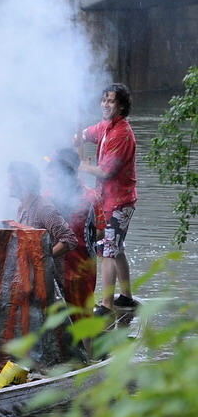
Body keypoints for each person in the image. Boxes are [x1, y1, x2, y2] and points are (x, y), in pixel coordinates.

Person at [74, 83, 139, 316]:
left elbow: (105, 172)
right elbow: (85, 134)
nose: (105, 104)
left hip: (119, 201)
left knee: (108, 251)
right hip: (108, 200)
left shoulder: (122, 133)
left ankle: (107, 305)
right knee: (116, 248)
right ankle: (126, 297)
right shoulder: (106, 127)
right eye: (104, 100)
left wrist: (81, 166)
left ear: (121, 106)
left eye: (111, 101)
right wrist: (77, 137)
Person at [44, 148, 103, 313]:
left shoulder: (88, 198)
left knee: (74, 313)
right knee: (78, 313)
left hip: (77, 266)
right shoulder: (90, 196)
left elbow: (100, 231)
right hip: (71, 265)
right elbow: (101, 231)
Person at [8, 162, 78, 260]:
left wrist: (43, 260)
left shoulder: (44, 209)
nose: (8, 185)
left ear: (23, 183)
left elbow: (70, 239)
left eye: (11, 181)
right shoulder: (22, 207)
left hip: (47, 270)